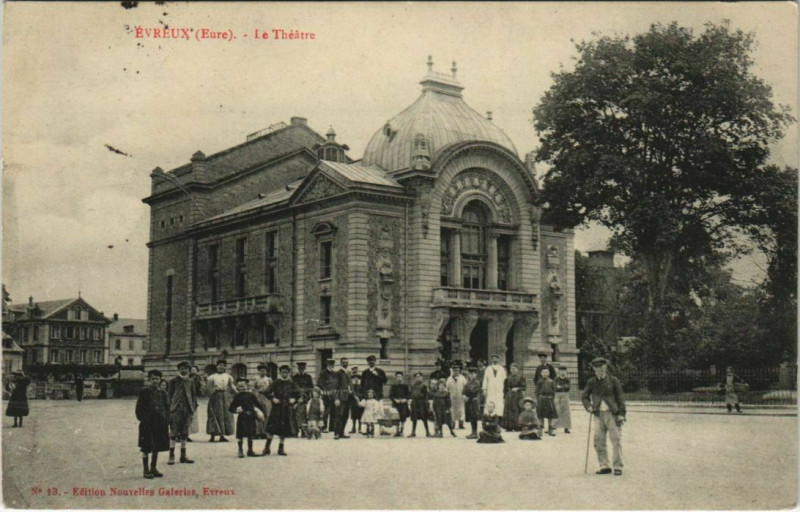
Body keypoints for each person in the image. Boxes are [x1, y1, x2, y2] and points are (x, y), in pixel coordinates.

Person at [581, 357, 626, 476]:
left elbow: (621, 398)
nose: (599, 369)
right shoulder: (591, 382)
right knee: (598, 441)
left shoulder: (613, 380)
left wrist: (621, 414)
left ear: (605, 367)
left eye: (601, 367)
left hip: (612, 414)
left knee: (616, 440)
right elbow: (584, 396)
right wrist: (589, 406)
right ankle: (604, 465)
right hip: (598, 414)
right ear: (593, 369)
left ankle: (617, 466)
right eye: (596, 367)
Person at [136, 370, 170, 479]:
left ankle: (153, 468)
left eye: (157, 379)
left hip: (160, 423)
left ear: (160, 380)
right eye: (152, 379)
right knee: (146, 446)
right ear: (149, 380)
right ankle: (146, 470)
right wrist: (143, 419)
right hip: (147, 424)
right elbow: (139, 408)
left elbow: (167, 408)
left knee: (157, 446)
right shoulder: (144, 392)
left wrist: (166, 420)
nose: (155, 381)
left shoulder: (163, 393)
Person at [264, 364, 300, 456]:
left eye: (286, 372)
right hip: (277, 408)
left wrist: (294, 399)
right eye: (283, 372)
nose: (285, 374)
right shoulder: (276, 382)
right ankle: (267, 447)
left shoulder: (292, 383)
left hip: (287, 408)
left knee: (284, 429)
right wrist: (273, 399)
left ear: (288, 373)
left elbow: (299, 394)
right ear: (280, 373)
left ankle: (281, 448)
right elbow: (266, 392)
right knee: (271, 428)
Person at [167, 361, 197, 465]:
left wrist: (192, 409)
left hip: (187, 410)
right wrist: (170, 409)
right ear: (178, 369)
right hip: (176, 410)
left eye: (186, 368)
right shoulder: (173, 381)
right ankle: (171, 455)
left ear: (189, 370)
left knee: (185, 433)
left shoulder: (190, 381)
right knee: (174, 432)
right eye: (182, 368)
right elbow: (169, 396)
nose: (184, 370)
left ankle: (183, 456)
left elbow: (193, 396)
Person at [229, 378, 266, 457]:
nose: (241, 388)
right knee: (240, 434)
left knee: (251, 434)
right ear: (237, 387)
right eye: (239, 386)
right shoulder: (237, 396)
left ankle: (250, 450)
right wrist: (236, 410)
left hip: (251, 417)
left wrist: (261, 412)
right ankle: (240, 450)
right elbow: (231, 408)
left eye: (243, 386)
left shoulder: (251, 395)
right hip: (242, 417)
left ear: (247, 386)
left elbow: (257, 404)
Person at [205, 359, 236, 442]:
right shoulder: (212, 377)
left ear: (225, 367)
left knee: (225, 415)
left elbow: (232, 386)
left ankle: (222, 436)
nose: (221, 367)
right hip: (215, 396)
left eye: (223, 365)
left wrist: (238, 393)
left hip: (225, 396)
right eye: (219, 365)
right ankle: (212, 436)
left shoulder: (228, 376)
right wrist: (210, 394)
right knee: (214, 415)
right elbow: (208, 388)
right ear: (217, 366)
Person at [502, 363, 526, 430]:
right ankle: (509, 426)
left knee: (517, 410)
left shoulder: (521, 378)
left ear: (517, 370)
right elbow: (505, 389)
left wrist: (518, 388)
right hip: (509, 396)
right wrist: (504, 397)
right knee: (509, 410)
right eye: (512, 369)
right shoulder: (507, 378)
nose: (513, 370)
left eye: (515, 369)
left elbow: (524, 387)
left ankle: (517, 426)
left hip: (518, 396)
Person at [334, 357, 354, 439]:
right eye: (344, 362)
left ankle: (342, 432)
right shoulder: (338, 373)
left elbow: (350, 385)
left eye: (346, 362)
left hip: (348, 397)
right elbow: (335, 386)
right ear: (341, 363)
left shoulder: (348, 373)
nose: (345, 363)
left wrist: (353, 394)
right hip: (341, 398)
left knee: (346, 415)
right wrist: (336, 398)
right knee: (339, 415)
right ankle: (336, 433)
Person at [318, 358, 339, 433]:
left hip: (333, 394)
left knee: (333, 411)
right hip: (326, 395)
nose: (331, 366)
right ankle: (323, 427)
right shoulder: (323, 372)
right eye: (330, 364)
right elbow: (320, 383)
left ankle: (332, 427)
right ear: (327, 364)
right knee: (326, 411)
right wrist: (325, 390)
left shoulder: (335, 373)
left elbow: (336, 384)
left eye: (332, 365)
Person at [253, 364, 273, 440]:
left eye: (264, 371)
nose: (262, 372)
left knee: (267, 414)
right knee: (258, 414)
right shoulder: (256, 379)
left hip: (267, 397)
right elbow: (254, 389)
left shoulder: (269, 379)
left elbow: (272, 388)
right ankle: (258, 432)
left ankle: (265, 432)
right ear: (259, 371)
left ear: (266, 372)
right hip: (258, 397)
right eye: (261, 371)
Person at [536, 368, 558, 436]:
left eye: (546, 372)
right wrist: (538, 399)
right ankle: (540, 431)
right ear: (541, 373)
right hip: (541, 399)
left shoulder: (551, 381)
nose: (545, 373)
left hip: (549, 399)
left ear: (548, 373)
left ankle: (550, 430)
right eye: (543, 372)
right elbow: (537, 391)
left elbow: (554, 391)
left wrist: (552, 398)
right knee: (540, 415)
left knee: (550, 415)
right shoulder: (539, 381)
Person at [408, 372, 431, 437]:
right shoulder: (413, 386)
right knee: (414, 419)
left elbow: (426, 396)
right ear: (414, 378)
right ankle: (413, 432)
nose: (418, 378)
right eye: (416, 377)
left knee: (424, 418)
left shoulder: (424, 386)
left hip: (422, 404)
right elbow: (410, 394)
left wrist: (427, 405)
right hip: (415, 404)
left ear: (422, 378)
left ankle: (427, 432)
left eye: (419, 377)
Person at [462, 365, 482, 439]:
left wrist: (467, 395)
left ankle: (475, 433)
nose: (471, 375)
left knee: (474, 417)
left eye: (473, 373)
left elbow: (472, 391)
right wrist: (464, 394)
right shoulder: (469, 382)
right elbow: (464, 389)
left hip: (474, 401)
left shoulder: (476, 382)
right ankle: (473, 432)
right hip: (469, 401)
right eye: (470, 374)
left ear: (475, 374)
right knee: (470, 417)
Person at [389, 371, 411, 437]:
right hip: (396, 404)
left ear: (402, 378)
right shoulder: (393, 386)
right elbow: (390, 395)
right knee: (396, 417)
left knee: (403, 417)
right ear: (395, 378)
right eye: (397, 377)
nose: (399, 378)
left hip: (403, 404)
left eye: (400, 377)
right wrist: (395, 400)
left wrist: (405, 399)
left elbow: (409, 395)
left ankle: (402, 430)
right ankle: (397, 431)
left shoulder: (405, 386)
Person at [446, 362, 467, 429]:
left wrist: (464, 394)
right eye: (454, 370)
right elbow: (447, 388)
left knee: (461, 410)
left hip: (460, 397)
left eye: (457, 370)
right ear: (452, 371)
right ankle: (453, 423)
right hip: (452, 397)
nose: (456, 372)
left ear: (459, 371)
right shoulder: (449, 379)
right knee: (453, 410)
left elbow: (465, 387)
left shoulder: (462, 378)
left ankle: (461, 424)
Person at [554, 365, 572, 433]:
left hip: (565, 394)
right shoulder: (556, 379)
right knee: (556, 410)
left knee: (566, 411)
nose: (562, 372)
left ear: (566, 371)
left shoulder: (567, 379)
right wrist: (563, 387)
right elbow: (555, 387)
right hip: (557, 395)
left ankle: (566, 427)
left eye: (564, 371)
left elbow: (568, 388)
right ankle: (554, 426)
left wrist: (560, 387)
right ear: (558, 371)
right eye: (561, 371)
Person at [187, 365, 203, 441]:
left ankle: (187, 434)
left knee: (192, 417)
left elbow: (200, 391)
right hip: (186, 399)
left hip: (193, 400)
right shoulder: (187, 378)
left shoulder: (199, 379)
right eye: (192, 370)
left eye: (195, 370)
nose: (193, 371)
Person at [349, 367, 364, 434]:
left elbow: (363, 393)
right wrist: (354, 396)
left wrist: (359, 397)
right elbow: (350, 392)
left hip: (360, 402)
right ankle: (353, 428)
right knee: (353, 416)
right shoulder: (351, 386)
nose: (356, 379)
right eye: (354, 378)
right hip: (353, 402)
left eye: (357, 378)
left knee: (360, 415)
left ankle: (360, 428)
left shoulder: (361, 386)